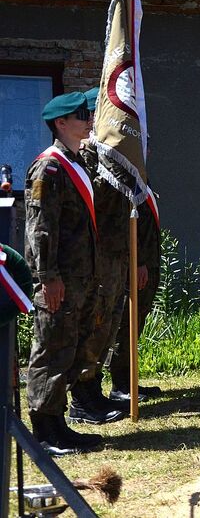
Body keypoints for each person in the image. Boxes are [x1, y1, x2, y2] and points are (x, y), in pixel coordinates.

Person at [24, 92, 109, 455]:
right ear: (60, 123)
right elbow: (40, 228)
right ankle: (44, 430)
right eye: (80, 115)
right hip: (59, 279)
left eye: (87, 113)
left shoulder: (75, 163)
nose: (88, 119)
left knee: (68, 350)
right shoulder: (50, 167)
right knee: (51, 350)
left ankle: (59, 424)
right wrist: (48, 276)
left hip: (79, 276)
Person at [72, 86, 130, 423]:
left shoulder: (118, 154)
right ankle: (82, 397)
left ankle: (94, 390)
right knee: (93, 325)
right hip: (96, 255)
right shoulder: (88, 155)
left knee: (107, 324)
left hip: (115, 253)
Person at [108, 192, 162, 402]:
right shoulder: (127, 178)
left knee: (136, 322)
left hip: (148, 261)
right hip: (136, 263)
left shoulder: (141, 178)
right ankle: (120, 384)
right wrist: (137, 260)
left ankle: (129, 380)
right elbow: (126, 224)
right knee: (125, 324)